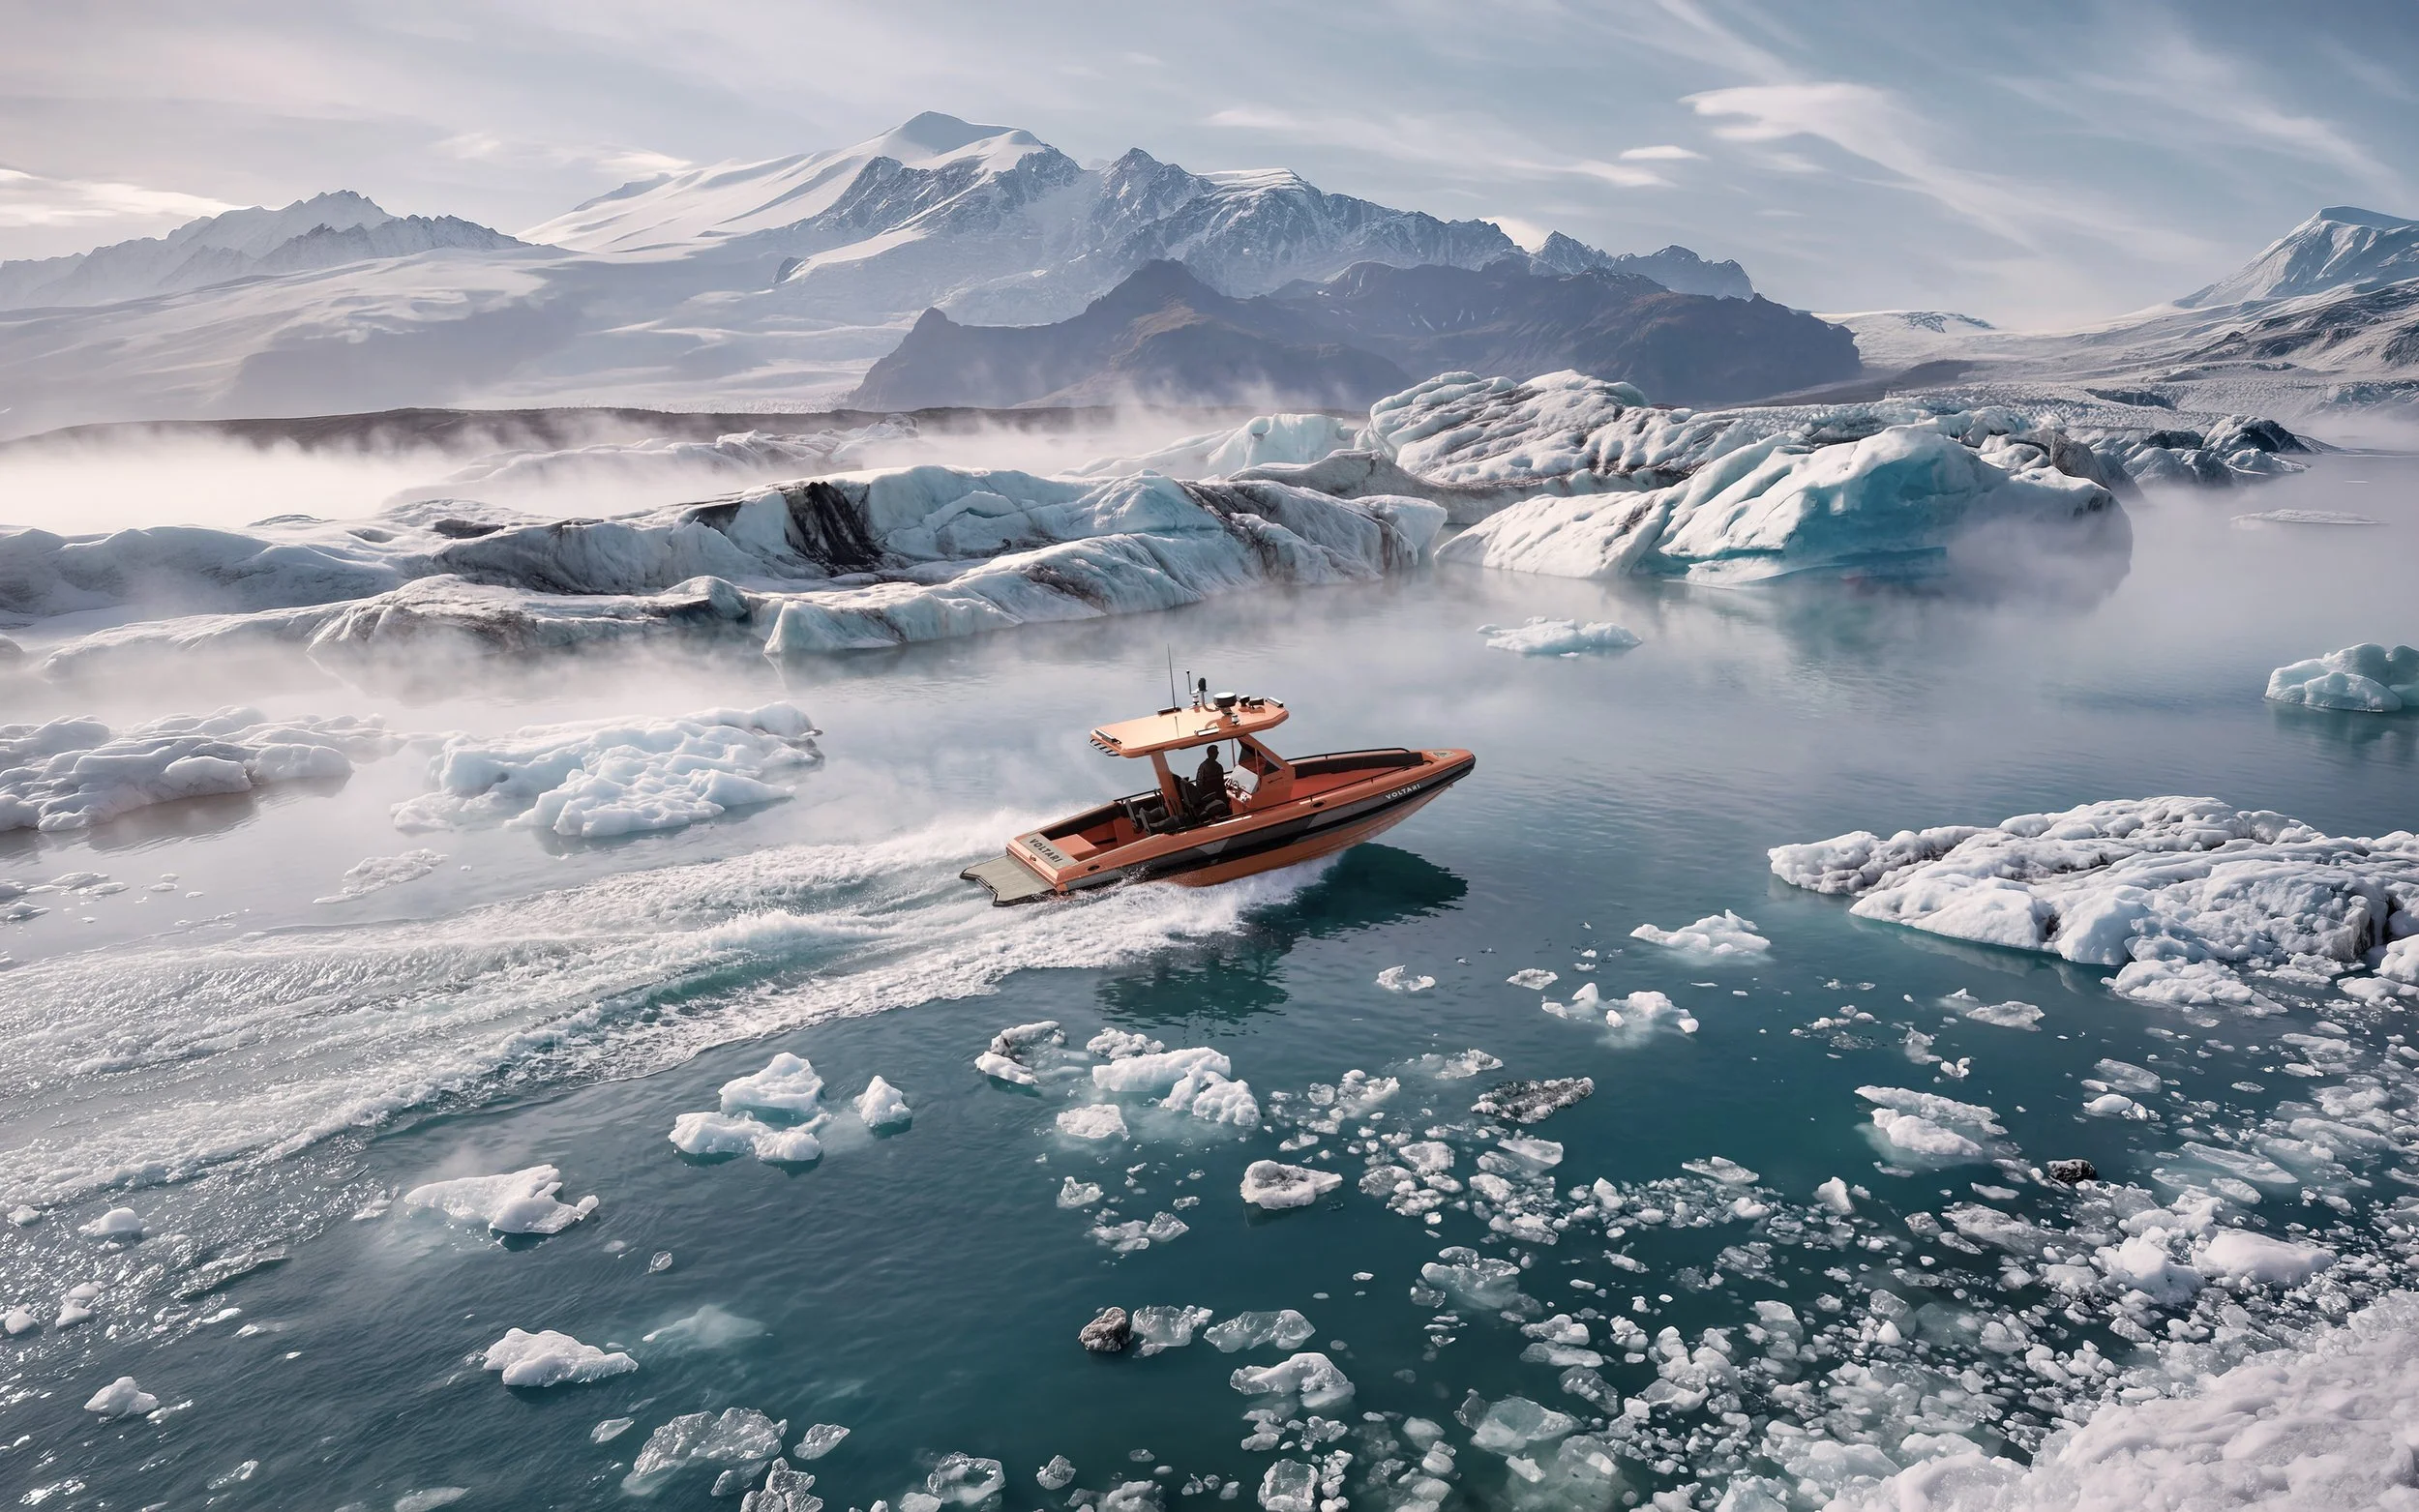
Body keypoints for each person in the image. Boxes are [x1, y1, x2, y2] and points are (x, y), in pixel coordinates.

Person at [1192, 745, 1230, 822]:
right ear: (1210, 753)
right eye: (1216, 752)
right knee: (1228, 801)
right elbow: (1220, 787)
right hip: (1212, 796)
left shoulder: (1202, 765)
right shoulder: (1217, 767)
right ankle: (1227, 817)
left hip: (1204, 795)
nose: (1218, 753)